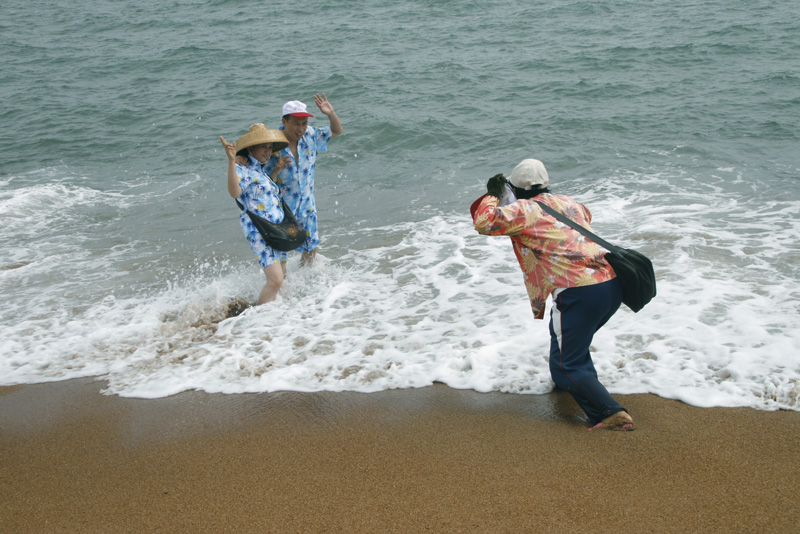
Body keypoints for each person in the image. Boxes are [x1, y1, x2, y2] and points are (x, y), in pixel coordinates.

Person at [471, 159, 635, 431]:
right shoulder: (570, 202)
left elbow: (484, 222)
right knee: (568, 341)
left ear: (515, 188)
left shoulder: (525, 209)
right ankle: (570, 384)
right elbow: (585, 217)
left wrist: (492, 193)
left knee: (566, 363)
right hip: (610, 284)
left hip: (578, 292)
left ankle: (610, 412)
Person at [262, 94, 343, 266]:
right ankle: (281, 289)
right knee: (280, 256)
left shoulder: (311, 136)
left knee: (310, 251)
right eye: (296, 124)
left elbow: (336, 130)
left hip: (307, 206)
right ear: (284, 122)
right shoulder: (272, 145)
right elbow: (262, 183)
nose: (301, 129)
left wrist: (331, 113)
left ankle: (308, 290)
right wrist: (276, 169)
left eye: (304, 123)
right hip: (281, 211)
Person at [220, 124, 291, 304]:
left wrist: (275, 171)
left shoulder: (260, 169)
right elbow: (234, 192)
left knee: (281, 274)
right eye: (263, 147)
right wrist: (230, 161)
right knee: (276, 279)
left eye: (269, 147)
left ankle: (269, 309)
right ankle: (259, 319)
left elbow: (261, 194)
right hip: (260, 231)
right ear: (251, 148)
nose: (268, 152)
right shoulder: (242, 168)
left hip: (276, 229)